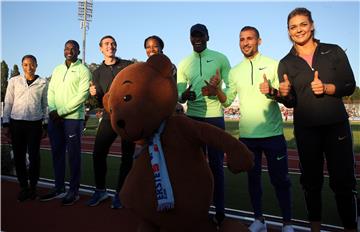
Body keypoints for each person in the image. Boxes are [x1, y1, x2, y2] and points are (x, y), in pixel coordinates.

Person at [207, 26, 294, 232]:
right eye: (241, 39)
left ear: (259, 41)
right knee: (253, 180)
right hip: (247, 137)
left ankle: (287, 223)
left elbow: (283, 96)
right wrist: (217, 90)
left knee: (280, 180)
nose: (245, 43)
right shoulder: (235, 71)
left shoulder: (274, 65)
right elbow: (227, 101)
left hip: (273, 135)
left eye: (249, 38)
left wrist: (272, 91)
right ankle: (259, 220)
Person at [278, 8, 357, 232]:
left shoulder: (333, 51)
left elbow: (349, 84)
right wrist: (284, 94)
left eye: (303, 24)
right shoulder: (285, 63)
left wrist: (327, 87)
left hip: (336, 127)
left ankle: (351, 227)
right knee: (311, 184)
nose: (299, 30)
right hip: (306, 130)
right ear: (288, 32)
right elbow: (291, 102)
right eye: (293, 27)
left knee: (343, 183)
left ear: (311, 25)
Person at [177, 23, 231, 226]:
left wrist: (218, 91)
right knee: (192, 167)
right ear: (190, 38)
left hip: (215, 118)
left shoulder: (221, 58)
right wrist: (184, 95)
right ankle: (195, 209)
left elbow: (231, 89)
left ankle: (219, 212)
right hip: (192, 118)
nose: (197, 39)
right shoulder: (184, 64)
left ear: (208, 37)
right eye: (194, 36)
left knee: (216, 167)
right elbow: (179, 93)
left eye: (201, 35)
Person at [39, 40, 91, 205]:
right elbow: (51, 91)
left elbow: (82, 95)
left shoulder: (83, 70)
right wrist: (53, 110)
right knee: (57, 154)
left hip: (73, 119)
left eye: (73, 48)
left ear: (77, 52)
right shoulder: (57, 69)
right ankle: (59, 187)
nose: (69, 51)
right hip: (55, 118)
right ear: (63, 51)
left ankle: (73, 191)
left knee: (74, 156)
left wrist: (61, 112)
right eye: (67, 48)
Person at [86, 35, 136, 209]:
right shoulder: (97, 72)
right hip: (109, 117)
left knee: (127, 157)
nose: (110, 46)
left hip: (128, 118)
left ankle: (121, 194)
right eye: (106, 44)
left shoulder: (128, 65)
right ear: (100, 48)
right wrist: (94, 93)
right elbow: (101, 100)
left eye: (113, 43)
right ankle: (100, 191)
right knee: (98, 153)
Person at [2, 55, 48, 202]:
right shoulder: (14, 81)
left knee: (34, 157)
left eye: (32, 64)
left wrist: (45, 124)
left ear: (36, 65)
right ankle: (23, 187)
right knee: (19, 157)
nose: (29, 67)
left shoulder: (43, 82)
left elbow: (45, 104)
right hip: (17, 124)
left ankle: (33, 187)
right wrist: (6, 124)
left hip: (34, 124)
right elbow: (8, 102)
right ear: (22, 66)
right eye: (26, 65)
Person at [144, 35, 184, 113]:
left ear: (161, 48)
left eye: (155, 46)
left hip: (167, 109)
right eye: (148, 47)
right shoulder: (144, 68)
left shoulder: (170, 66)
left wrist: (175, 103)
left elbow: (174, 88)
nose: (151, 49)